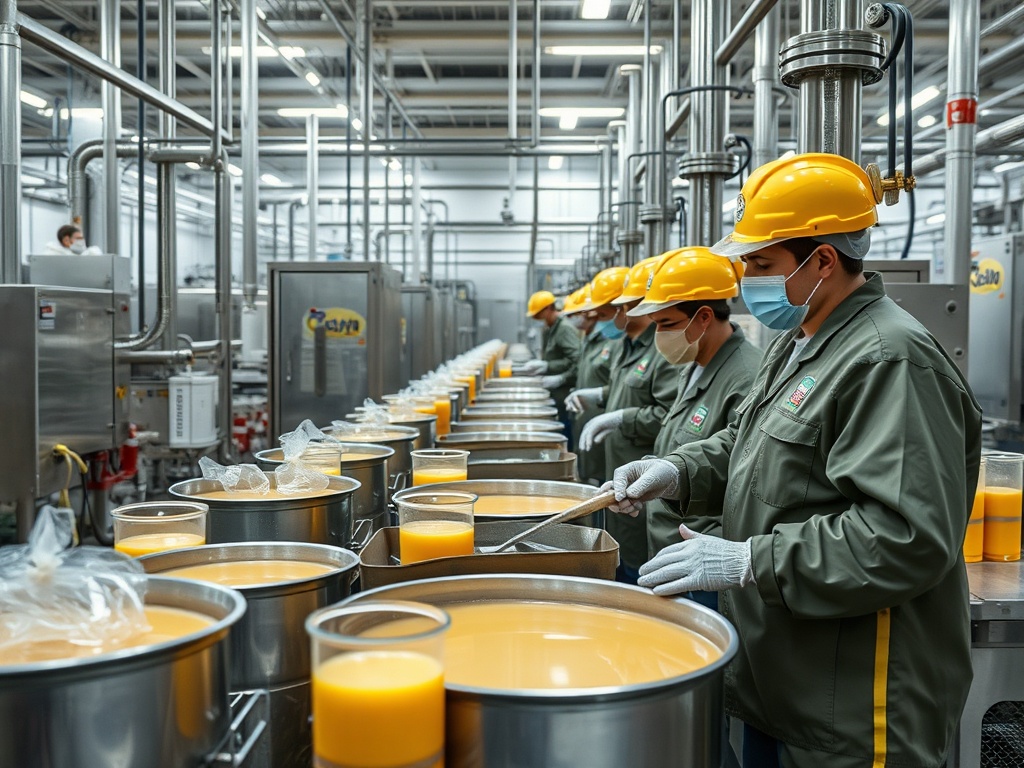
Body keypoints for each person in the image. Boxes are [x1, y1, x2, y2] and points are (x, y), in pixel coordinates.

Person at [605, 153, 982, 768]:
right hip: (783, 681)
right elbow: (752, 445)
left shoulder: (889, 358)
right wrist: (678, 471)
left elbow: (906, 536)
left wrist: (750, 559)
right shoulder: (801, 341)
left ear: (823, 260)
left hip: (855, 707)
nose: (747, 277)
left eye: (761, 263)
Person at [626, 247, 762, 592]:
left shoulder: (745, 376)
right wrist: (655, 472)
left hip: (705, 563)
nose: (660, 337)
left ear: (703, 317)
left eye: (667, 325)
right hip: (671, 550)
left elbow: (744, 473)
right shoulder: (696, 365)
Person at [579, 256, 679, 583]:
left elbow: (669, 415)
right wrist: (602, 396)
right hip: (619, 469)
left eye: (622, 307)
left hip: (645, 480)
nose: (619, 314)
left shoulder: (665, 349)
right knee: (621, 553)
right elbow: (626, 389)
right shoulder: (627, 345)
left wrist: (624, 417)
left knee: (639, 563)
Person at [565, 270, 629, 485]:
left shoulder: (616, 343)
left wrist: (620, 416)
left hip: (622, 446)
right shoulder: (609, 342)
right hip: (599, 430)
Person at [522, 290, 581, 440]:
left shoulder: (564, 329)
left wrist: (550, 368)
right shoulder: (553, 328)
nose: (538, 319)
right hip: (556, 392)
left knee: (564, 430)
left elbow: (577, 360)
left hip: (564, 392)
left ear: (548, 309)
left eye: (539, 314)